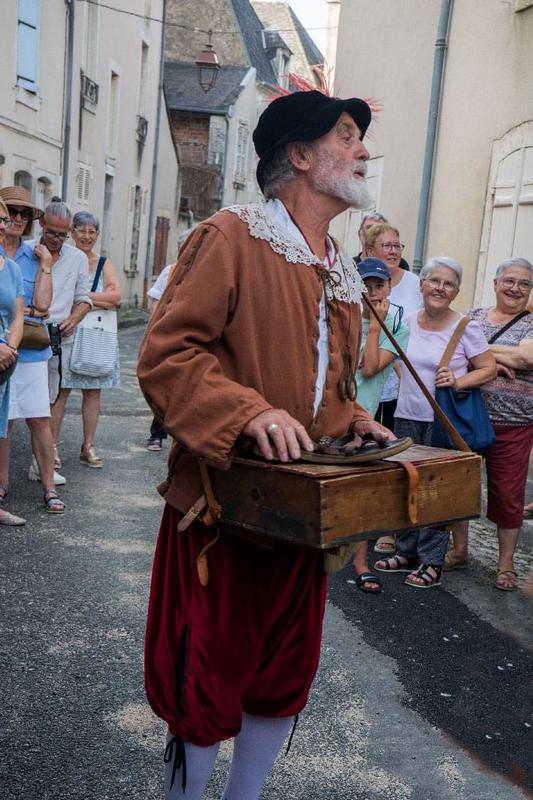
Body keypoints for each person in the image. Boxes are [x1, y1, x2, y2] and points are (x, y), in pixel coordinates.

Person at [138, 89, 398, 799]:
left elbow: (327, 389)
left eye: (358, 137)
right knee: (206, 673)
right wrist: (245, 411)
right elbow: (169, 356)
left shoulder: (338, 265)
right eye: (346, 136)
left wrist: (352, 423)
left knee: (283, 674)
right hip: (222, 511)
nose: (361, 150)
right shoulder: (231, 236)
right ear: (300, 155)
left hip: (300, 515)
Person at [375, 257, 496, 588]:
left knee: (435, 490)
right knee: (405, 482)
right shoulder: (408, 320)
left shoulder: (464, 327)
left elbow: (488, 368)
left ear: (455, 292)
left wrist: (458, 382)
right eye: (435, 281)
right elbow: (396, 358)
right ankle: (405, 551)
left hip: (442, 419)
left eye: (449, 284)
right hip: (405, 414)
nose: (440, 288)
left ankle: (431, 561)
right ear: (422, 285)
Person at [448, 258, 533, 591]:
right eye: (509, 281)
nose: (515, 288)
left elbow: (527, 359)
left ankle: (506, 564)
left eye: (524, 284)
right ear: (495, 283)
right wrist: (495, 360)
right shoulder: (473, 317)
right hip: (467, 418)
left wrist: (481, 355)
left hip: (515, 424)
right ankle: (459, 551)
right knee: (460, 487)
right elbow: (452, 352)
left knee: (509, 495)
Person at [0, 187, 64, 513]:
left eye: (25, 214)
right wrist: (25, 314)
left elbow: (42, 305)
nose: (18, 218)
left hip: (29, 353)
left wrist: (48, 265)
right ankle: (2, 485)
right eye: (12, 211)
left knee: (39, 420)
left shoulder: (35, 255)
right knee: (3, 423)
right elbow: (27, 311)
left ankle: (49, 487)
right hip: (0, 353)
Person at [350, 257, 410, 592]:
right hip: (329, 412)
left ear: (389, 286)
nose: (373, 293)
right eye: (366, 285)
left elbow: (370, 368)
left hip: (366, 413)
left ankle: (360, 563)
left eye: (379, 285)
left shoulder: (398, 325)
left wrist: (375, 326)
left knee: (362, 492)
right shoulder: (340, 316)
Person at [27, 199, 92, 478]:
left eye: (63, 235)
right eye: (52, 233)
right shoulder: (26, 250)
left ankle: (40, 465)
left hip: (57, 340)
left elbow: (84, 299)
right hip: (27, 333)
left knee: (49, 403)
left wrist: (74, 319)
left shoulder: (77, 258)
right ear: (42, 225)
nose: (57, 240)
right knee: (16, 402)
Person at [61, 211, 121, 468]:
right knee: (60, 391)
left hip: (93, 336)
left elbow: (116, 297)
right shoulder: (63, 257)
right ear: (72, 232)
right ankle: (50, 448)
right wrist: (100, 299)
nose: (86, 236)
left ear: (97, 234)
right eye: (81, 230)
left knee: (93, 392)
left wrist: (82, 297)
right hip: (67, 332)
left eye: (91, 231)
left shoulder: (103, 263)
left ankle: (87, 446)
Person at [0, 199, 26, 525]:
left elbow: (18, 315)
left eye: (4, 219)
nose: (2, 224)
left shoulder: (13, 268)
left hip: (4, 362)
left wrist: (10, 348)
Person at [145, 261, 176, 451]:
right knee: (166, 386)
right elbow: (156, 302)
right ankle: (156, 435)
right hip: (169, 334)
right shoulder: (171, 270)